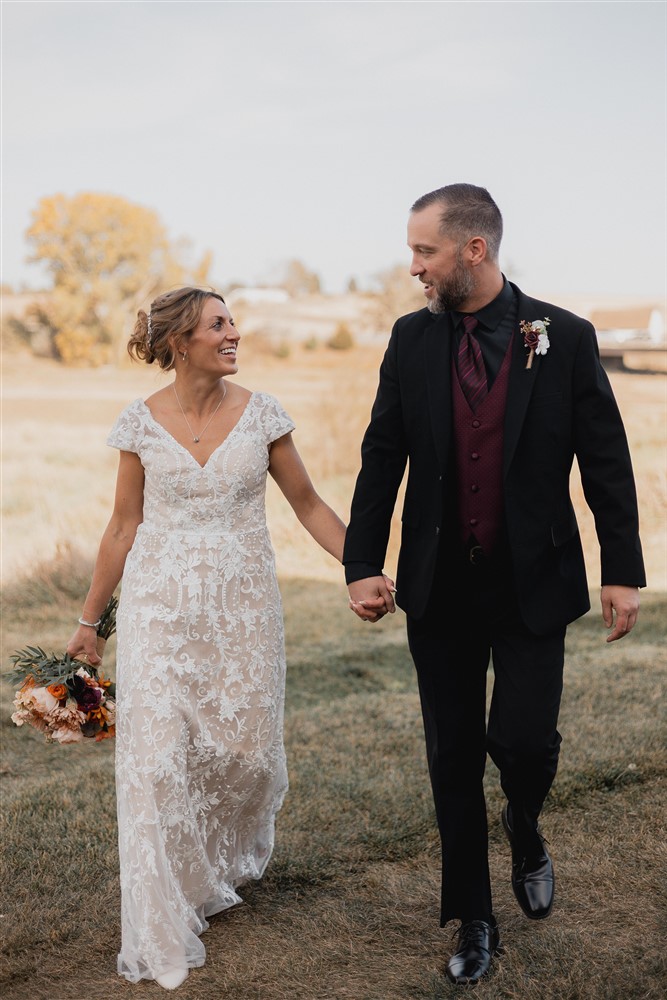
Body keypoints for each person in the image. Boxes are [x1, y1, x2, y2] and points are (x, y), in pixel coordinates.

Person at [343, 185, 645, 986]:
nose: (412, 267)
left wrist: (621, 569)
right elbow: (382, 458)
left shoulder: (564, 336)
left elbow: (603, 458)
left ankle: (526, 821)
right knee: (450, 755)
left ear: (472, 250)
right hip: (438, 584)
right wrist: (361, 561)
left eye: (423, 251)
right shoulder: (409, 341)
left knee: (523, 742)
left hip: (533, 582)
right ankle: (474, 918)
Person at [66, 287, 350, 990]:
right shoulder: (139, 424)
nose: (234, 334)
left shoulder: (264, 416)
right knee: (154, 760)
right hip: (158, 613)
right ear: (179, 341)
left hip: (243, 611)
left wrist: (365, 567)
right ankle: (158, 915)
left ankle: (210, 866)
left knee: (245, 756)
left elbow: (309, 503)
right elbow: (122, 527)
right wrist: (89, 623)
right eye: (218, 324)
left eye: (231, 322)